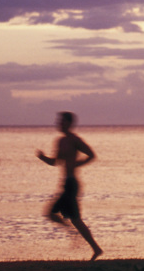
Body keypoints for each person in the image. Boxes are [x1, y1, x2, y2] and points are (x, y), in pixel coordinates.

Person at [37, 111, 103, 260]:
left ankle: (87, 243)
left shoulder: (74, 140)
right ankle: (94, 247)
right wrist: (42, 157)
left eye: (61, 121)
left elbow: (92, 155)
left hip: (72, 183)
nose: (58, 123)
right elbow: (55, 162)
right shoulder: (60, 141)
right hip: (66, 183)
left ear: (69, 123)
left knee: (64, 216)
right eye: (58, 121)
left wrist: (78, 164)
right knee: (67, 217)